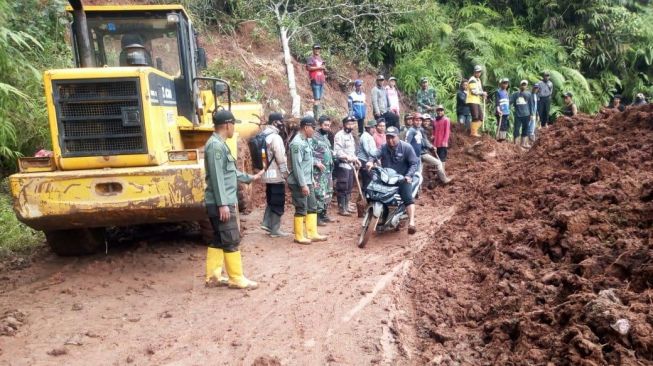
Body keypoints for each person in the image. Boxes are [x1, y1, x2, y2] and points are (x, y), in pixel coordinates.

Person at [204, 110, 263, 289]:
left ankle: (213, 276)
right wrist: (223, 204)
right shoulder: (215, 146)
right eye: (233, 125)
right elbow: (216, 177)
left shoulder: (219, 144)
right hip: (221, 202)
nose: (234, 128)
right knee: (231, 238)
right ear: (228, 125)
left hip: (220, 201)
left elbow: (229, 172)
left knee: (219, 239)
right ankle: (236, 278)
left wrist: (249, 178)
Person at [367, 126, 420, 234]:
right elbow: (375, 154)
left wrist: (408, 176)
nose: (390, 140)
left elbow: (414, 164)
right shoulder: (384, 147)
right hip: (386, 178)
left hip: (402, 179)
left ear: (398, 136)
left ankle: (412, 222)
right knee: (373, 190)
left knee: (408, 198)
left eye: (393, 137)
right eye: (388, 137)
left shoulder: (407, 147)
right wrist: (370, 161)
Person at [288, 116, 327, 245]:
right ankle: (299, 236)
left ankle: (312, 233)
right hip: (299, 182)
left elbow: (307, 163)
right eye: (313, 128)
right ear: (306, 127)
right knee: (301, 207)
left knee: (312, 206)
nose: (314, 131)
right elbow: (297, 166)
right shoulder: (297, 143)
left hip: (307, 181)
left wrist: (311, 180)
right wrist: (303, 184)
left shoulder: (306, 141)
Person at [260, 112, 290, 238]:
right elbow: (280, 157)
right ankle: (275, 230)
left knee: (271, 199)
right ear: (274, 122)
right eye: (280, 121)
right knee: (278, 201)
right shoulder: (275, 137)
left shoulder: (263, 135)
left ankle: (267, 223)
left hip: (267, 174)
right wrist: (285, 173)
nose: (282, 124)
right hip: (276, 175)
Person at [406, 113, 451, 184]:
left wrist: (431, 146)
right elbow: (407, 144)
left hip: (421, 154)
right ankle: (443, 180)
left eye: (420, 120)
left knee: (420, 172)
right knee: (418, 173)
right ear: (413, 121)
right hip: (416, 156)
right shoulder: (411, 131)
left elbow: (424, 141)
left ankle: (442, 179)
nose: (419, 122)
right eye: (417, 120)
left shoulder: (419, 129)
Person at [312, 115, 335, 226]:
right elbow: (308, 153)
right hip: (318, 172)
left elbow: (329, 151)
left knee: (328, 193)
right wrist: (316, 162)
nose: (327, 127)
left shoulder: (325, 137)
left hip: (328, 171)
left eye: (329, 125)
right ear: (320, 125)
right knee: (319, 194)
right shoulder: (313, 137)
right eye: (325, 125)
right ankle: (317, 217)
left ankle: (323, 214)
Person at [334, 116, 359, 216]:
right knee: (342, 187)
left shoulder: (350, 135)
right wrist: (349, 158)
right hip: (343, 165)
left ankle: (346, 206)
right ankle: (342, 209)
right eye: (348, 124)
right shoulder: (339, 135)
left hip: (350, 166)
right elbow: (338, 152)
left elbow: (351, 151)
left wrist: (356, 160)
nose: (351, 126)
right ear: (344, 124)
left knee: (349, 187)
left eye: (352, 124)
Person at [357, 120, 379, 189]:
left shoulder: (369, 136)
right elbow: (368, 151)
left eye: (374, 128)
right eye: (372, 128)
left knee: (369, 179)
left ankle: (364, 195)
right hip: (363, 161)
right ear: (367, 128)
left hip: (369, 160)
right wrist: (375, 159)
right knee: (367, 179)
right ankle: (364, 196)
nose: (374, 130)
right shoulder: (365, 136)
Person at [306, 44, 327, 117]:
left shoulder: (320, 59)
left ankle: (319, 115)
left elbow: (322, 69)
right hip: (315, 79)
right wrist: (319, 67)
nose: (317, 50)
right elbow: (308, 68)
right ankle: (316, 117)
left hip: (321, 80)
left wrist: (323, 68)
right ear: (313, 49)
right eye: (316, 48)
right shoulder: (311, 58)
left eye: (318, 49)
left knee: (319, 99)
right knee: (316, 99)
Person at [467, 65, 487, 137]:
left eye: (479, 72)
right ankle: (473, 132)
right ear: (474, 72)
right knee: (475, 116)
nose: (478, 73)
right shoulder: (472, 80)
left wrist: (483, 94)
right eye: (477, 72)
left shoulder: (478, 80)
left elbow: (480, 90)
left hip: (477, 101)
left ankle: (473, 130)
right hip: (472, 100)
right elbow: (473, 91)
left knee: (481, 117)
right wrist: (482, 93)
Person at [511, 80, 533, 148]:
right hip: (518, 115)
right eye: (522, 84)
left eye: (525, 85)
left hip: (526, 115)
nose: (523, 86)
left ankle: (524, 144)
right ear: (520, 85)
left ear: (526, 86)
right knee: (516, 129)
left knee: (525, 129)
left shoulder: (529, 94)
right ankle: (516, 145)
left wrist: (531, 114)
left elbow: (531, 104)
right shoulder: (515, 94)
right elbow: (511, 102)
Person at [432, 105, 451, 172]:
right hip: (436, 143)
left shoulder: (446, 120)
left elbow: (447, 131)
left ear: (443, 111)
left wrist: (445, 141)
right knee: (436, 157)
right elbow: (434, 130)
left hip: (442, 143)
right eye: (438, 110)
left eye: (441, 110)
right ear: (436, 111)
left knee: (442, 158)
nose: (440, 112)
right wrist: (433, 135)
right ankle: (437, 172)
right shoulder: (435, 120)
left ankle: (442, 172)